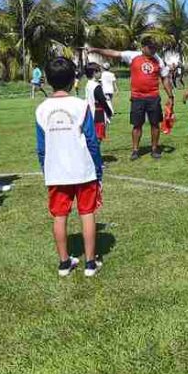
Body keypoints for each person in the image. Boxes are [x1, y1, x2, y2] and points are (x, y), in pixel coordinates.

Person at [36, 57, 104, 277]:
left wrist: (46, 169)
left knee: (59, 215)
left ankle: (64, 263)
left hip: (57, 172)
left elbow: (41, 147)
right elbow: (92, 140)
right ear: (73, 80)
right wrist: (98, 169)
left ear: (47, 80)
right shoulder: (80, 105)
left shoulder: (41, 109)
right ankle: (90, 264)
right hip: (83, 169)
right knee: (87, 213)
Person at [87, 37, 174, 161]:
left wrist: (170, 96)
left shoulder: (158, 60)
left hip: (153, 97)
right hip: (137, 98)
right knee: (137, 125)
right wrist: (95, 50)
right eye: (150, 47)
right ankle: (135, 150)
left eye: (155, 48)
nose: (153, 50)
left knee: (155, 124)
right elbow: (113, 53)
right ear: (143, 47)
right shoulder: (132, 56)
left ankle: (154, 149)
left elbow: (165, 78)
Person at [84, 63, 114, 143]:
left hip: (90, 113)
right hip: (98, 114)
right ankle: (95, 155)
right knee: (97, 138)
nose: (101, 73)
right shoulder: (96, 86)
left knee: (93, 137)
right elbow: (102, 101)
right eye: (99, 71)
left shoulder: (88, 84)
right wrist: (109, 112)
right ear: (94, 73)